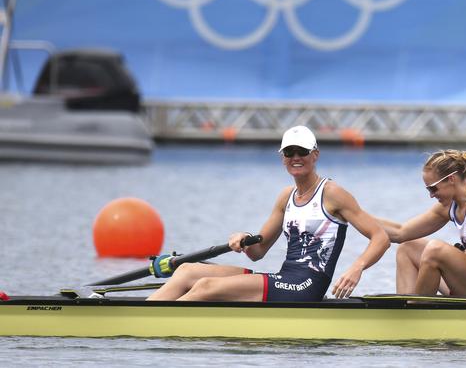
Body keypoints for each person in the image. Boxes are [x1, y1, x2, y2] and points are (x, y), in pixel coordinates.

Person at [148, 125, 389, 302]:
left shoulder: (333, 193)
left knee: (205, 287)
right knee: (188, 271)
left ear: (315, 155)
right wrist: (242, 237)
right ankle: (144, 314)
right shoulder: (286, 197)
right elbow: (258, 252)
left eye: (302, 151)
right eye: (289, 152)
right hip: (285, 278)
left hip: (307, 286)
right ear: (282, 158)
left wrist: (356, 267)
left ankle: (154, 326)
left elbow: (380, 237)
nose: (296, 157)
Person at [377, 150, 466, 297]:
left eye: (433, 188)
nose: (431, 195)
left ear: (451, 179)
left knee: (435, 250)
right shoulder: (450, 207)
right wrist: (355, 215)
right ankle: (405, 309)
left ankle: (418, 311)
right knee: (408, 248)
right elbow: (400, 232)